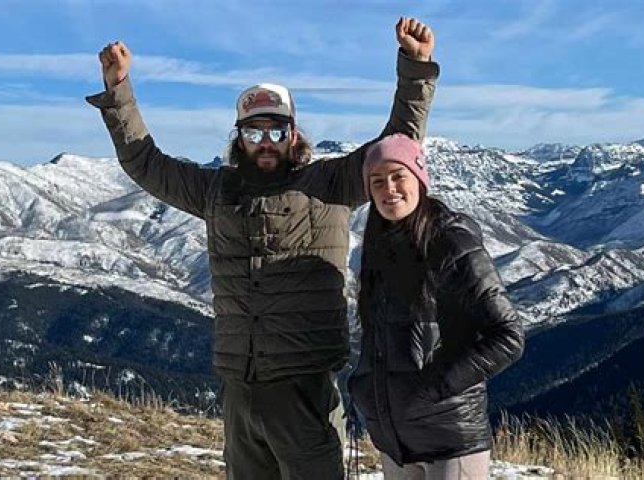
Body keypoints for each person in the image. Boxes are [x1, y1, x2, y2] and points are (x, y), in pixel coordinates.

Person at [87, 18, 439, 480]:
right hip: (240, 389)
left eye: (276, 131)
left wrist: (415, 67)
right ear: (239, 138)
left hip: (306, 390)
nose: (265, 143)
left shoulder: (329, 183)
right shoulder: (216, 191)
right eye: (254, 133)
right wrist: (119, 91)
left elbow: (397, 145)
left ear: (294, 134)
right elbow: (146, 163)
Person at [347, 133, 525, 479]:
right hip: (396, 443)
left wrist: (434, 389)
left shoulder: (450, 241)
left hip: (450, 440)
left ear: (419, 179)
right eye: (377, 181)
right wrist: (364, 386)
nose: (389, 189)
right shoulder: (380, 244)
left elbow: (508, 336)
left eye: (398, 176)